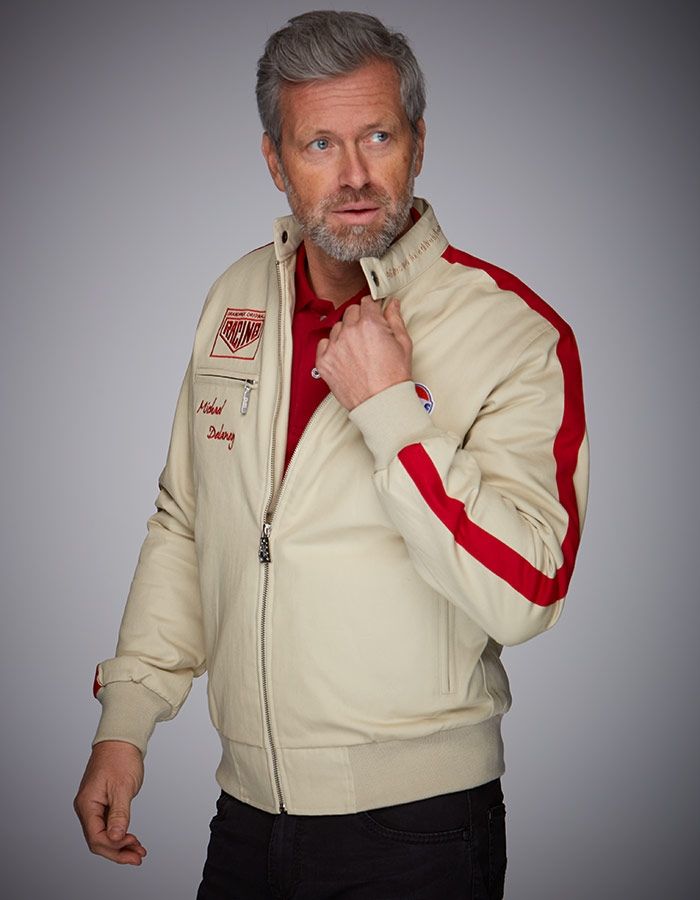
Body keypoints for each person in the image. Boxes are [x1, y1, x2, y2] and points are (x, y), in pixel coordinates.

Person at [74, 10, 588, 899]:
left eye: (377, 136)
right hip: (246, 815)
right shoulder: (237, 297)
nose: (353, 175)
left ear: (418, 143)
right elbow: (187, 520)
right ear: (275, 161)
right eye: (319, 144)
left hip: (419, 830)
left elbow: (528, 592)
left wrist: (391, 409)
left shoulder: (514, 332)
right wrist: (127, 720)